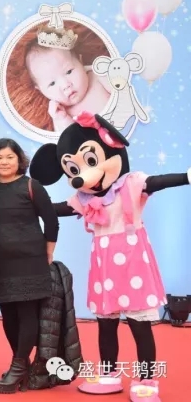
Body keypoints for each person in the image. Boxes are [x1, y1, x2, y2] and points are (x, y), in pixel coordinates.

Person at [30, 111, 191, 400]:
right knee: (106, 323)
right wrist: (27, 204)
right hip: (104, 266)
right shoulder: (84, 199)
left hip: (133, 263)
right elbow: (59, 209)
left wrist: (186, 177)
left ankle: (147, 379)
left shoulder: (131, 184)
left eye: (90, 161)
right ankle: (109, 374)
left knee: (140, 325)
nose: (81, 177)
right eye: (74, 170)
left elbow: (158, 181)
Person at [0, 138, 59, 394]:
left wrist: (48, 251)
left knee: (27, 314)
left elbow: (51, 221)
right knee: (8, 316)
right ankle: (22, 363)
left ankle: (17, 367)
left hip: (30, 261)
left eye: (10, 157)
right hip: (0, 261)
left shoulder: (31, 186)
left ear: (19, 160)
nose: (4, 162)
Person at [6, 21, 111, 132]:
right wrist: (63, 119)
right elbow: (70, 138)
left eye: (69, 71)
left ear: (80, 61)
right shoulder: (61, 113)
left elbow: (121, 89)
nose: (66, 85)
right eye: (52, 83)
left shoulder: (97, 75)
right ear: (40, 90)